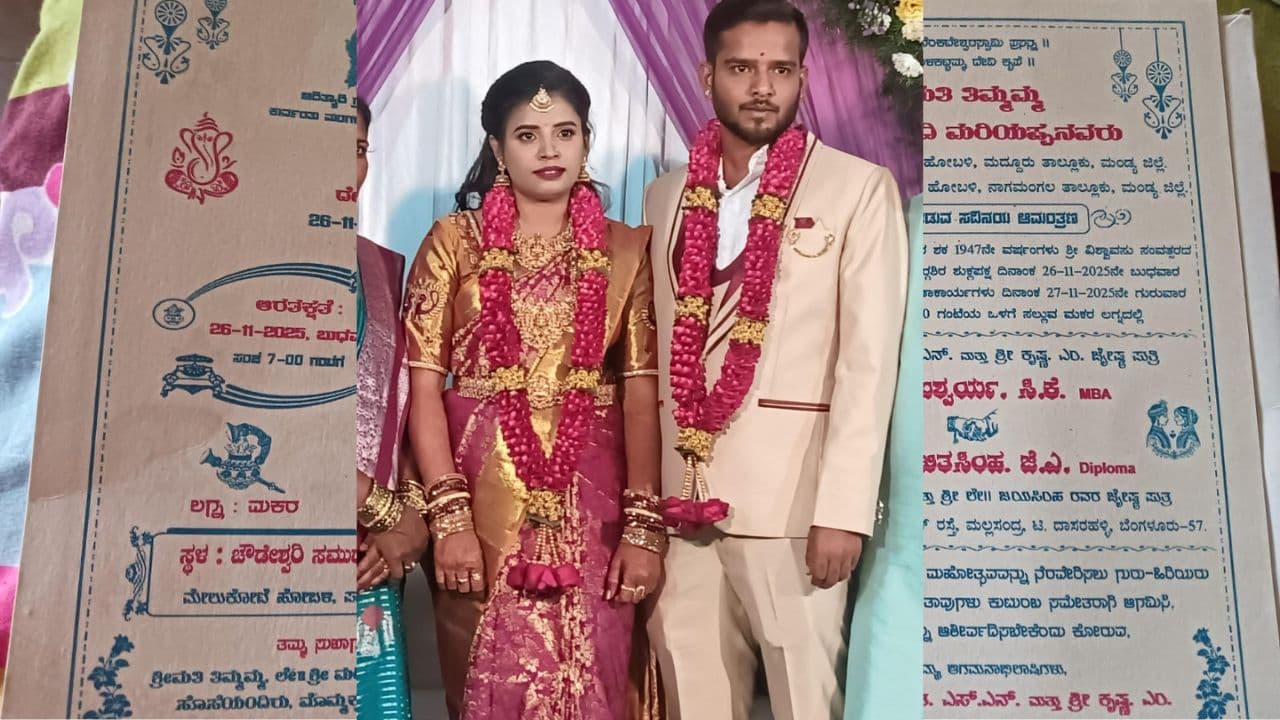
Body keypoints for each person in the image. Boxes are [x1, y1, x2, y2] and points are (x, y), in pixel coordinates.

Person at [642, 1, 908, 718]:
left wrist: (843, 511)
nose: (763, 88)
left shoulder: (857, 188)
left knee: (805, 705)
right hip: (681, 505)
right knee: (695, 702)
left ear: (802, 78)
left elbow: (868, 365)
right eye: (742, 68)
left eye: (781, 70)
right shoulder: (665, 197)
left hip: (794, 510)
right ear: (706, 77)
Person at [402, 61, 664, 719]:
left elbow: (640, 394)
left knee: (599, 672)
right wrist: (449, 518)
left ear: (586, 140)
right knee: (494, 678)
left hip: (599, 503)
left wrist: (642, 526)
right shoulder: (453, 243)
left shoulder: (626, 249)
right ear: (498, 148)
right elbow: (422, 387)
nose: (550, 150)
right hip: (481, 495)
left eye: (565, 132)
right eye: (527, 135)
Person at [353, 97, 429, 720]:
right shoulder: (249, 264)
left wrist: (410, 515)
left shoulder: (378, 268)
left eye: (357, 149)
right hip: (266, 537)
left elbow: (394, 410)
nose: (345, 167)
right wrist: (382, 510)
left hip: (367, 558)